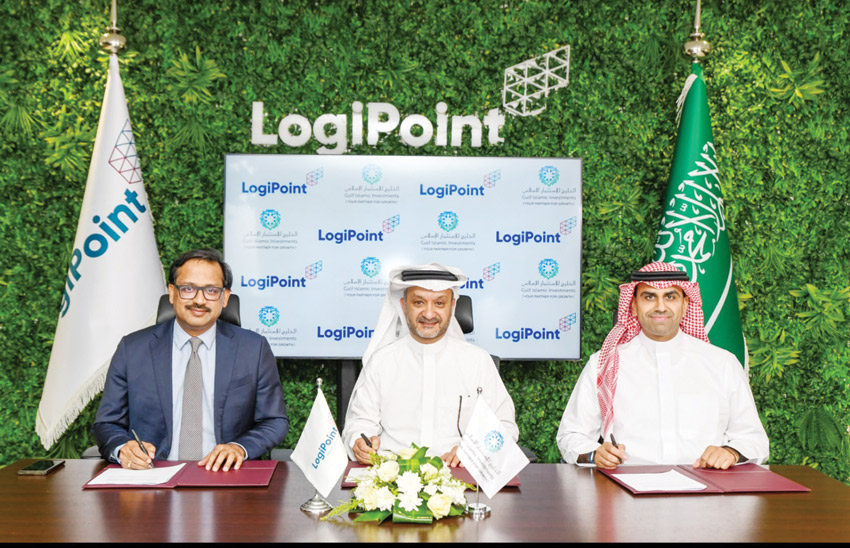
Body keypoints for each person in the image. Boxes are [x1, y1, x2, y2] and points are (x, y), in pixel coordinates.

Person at [557, 261, 769, 470]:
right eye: (649, 297)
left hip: (706, 484)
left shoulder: (723, 363)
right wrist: (595, 454)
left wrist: (731, 452)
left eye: (670, 297)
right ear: (634, 305)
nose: (660, 307)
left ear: (685, 305)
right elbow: (571, 435)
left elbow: (754, 440)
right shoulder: (604, 364)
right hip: (627, 485)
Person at [93, 248, 289, 472]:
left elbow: (274, 421)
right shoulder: (132, 349)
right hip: (151, 475)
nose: (199, 300)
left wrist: (239, 448)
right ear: (172, 293)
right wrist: (122, 449)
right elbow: (107, 423)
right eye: (188, 289)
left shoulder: (253, 349)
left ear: (225, 297)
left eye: (211, 290)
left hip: (226, 476)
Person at [342, 262, 518, 467]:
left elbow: (505, 427)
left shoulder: (478, 361)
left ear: (452, 307)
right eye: (418, 302)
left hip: (458, 474)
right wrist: (359, 442)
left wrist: (474, 450)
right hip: (391, 474)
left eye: (439, 303)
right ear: (403, 305)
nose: (428, 313)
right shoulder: (381, 361)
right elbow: (359, 423)